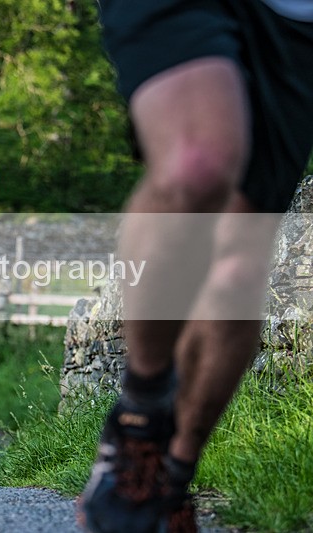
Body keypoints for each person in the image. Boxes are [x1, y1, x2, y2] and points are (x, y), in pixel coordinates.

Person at [79, 1, 313, 531]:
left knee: (238, 269)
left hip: (292, 18)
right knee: (197, 165)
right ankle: (138, 420)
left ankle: (170, 478)